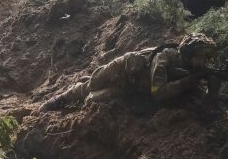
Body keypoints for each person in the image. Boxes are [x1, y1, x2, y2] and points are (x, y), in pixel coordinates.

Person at [41, 33, 218, 111]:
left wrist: (212, 87)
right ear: (189, 55)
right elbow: (158, 93)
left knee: (96, 99)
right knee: (90, 86)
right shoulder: (164, 59)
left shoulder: (190, 68)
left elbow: (202, 97)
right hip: (123, 69)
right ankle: (59, 100)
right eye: (201, 57)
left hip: (132, 87)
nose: (204, 62)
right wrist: (187, 82)